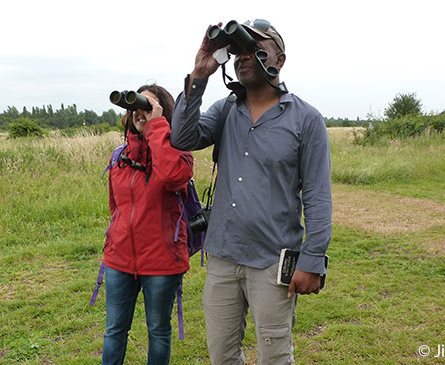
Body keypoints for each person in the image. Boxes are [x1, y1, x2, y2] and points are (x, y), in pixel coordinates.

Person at [170, 19, 332, 364]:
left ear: (280, 59)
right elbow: (182, 139)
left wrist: (312, 260)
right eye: (239, 49)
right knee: (222, 355)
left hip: (272, 262)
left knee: (274, 356)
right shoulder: (226, 109)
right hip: (223, 258)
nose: (243, 55)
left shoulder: (306, 120)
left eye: (254, 47)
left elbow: (317, 195)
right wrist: (199, 74)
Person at [101, 84, 194, 365]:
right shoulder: (120, 156)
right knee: (114, 331)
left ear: (164, 113)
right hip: (120, 259)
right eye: (136, 107)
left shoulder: (180, 154)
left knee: (158, 331)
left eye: (149, 106)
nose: (141, 112)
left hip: (162, 261)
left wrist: (156, 128)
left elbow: (170, 178)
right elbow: (115, 207)